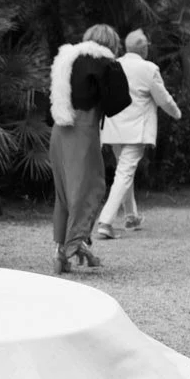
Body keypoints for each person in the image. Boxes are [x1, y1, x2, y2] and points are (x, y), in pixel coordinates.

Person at [49, 24, 132, 274]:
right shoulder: (104, 62)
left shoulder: (67, 57)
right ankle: (72, 247)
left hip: (59, 130)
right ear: (111, 43)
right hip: (82, 130)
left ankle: (62, 251)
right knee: (89, 189)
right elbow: (119, 100)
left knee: (64, 194)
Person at [95, 29, 181, 238]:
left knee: (124, 174)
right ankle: (105, 222)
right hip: (136, 131)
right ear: (143, 48)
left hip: (114, 130)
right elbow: (163, 99)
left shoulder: (113, 64)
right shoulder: (149, 68)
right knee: (124, 174)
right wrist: (177, 113)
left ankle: (131, 216)